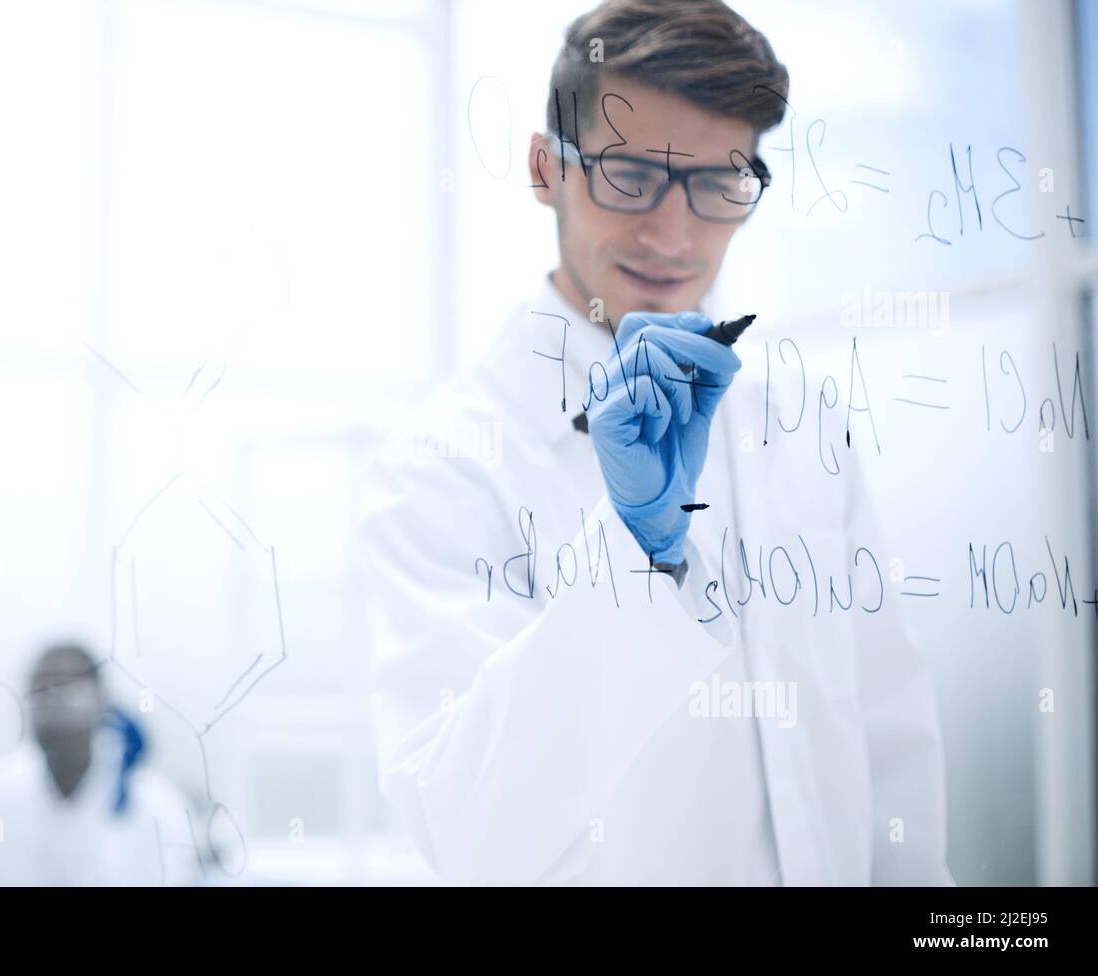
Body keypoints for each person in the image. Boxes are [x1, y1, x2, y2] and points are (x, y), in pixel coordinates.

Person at [360, 0, 952, 884]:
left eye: (719, 186)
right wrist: (634, 554)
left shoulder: (801, 425)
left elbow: (891, 746)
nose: (674, 236)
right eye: (630, 176)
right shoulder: (441, 468)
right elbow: (468, 832)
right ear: (543, 168)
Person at [0, 643, 197, 885]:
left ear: (102, 704)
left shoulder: (157, 807)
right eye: (40, 692)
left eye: (67, 692)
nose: (52, 706)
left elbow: (177, 877)